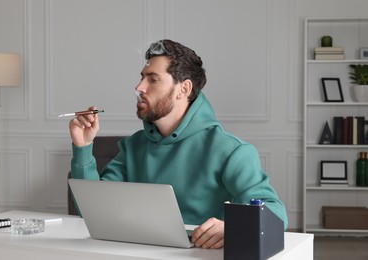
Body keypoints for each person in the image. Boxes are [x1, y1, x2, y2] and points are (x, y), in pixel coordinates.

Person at [69, 39, 288, 249]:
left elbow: (276, 215)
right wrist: (83, 148)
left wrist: (235, 227)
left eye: (152, 79)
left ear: (184, 89)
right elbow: (92, 212)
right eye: (142, 77)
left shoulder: (231, 151)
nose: (139, 87)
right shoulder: (133, 146)